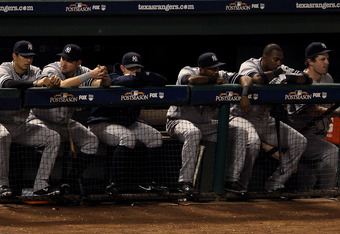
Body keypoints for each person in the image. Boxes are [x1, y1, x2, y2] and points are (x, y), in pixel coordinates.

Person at [166, 52, 261, 197]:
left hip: (205, 125)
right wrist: (212, 82)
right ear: (202, 69)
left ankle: (232, 181)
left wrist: (244, 94)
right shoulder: (187, 70)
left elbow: (245, 78)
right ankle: (185, 183)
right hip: (178, 121)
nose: (216, 72)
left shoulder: (221, 76)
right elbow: (191, 80)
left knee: (240, 132)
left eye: (217, 68)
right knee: (193, 133)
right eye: (212, 69)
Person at [27, 44, 110, 198]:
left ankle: (69, 180)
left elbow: (99, 85)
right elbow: (60, 85)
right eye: (63, 58)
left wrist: (104, 77)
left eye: (69, 60)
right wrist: (91, 74)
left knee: (91, 141)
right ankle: (41, 187)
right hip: (39, 120)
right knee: (53, 138)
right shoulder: (51, 69)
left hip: (64, 123)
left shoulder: (82, 71)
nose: (63, 62)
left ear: (78, 63)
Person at [231, 43, 309, 192]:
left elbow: (306, 78)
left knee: (299, 141)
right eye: (275, 60)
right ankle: (241, 185)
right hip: (242, 117)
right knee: (253, 143)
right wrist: (279, 73)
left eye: (280, 60)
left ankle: (274, 184)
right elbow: (257, 79)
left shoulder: (280, 69)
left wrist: (285, 76)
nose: (279, 63)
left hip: (264, 120)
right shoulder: (249, 64)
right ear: (265, 57)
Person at [87, 52, 168, 195]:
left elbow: (162, 79)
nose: (135, 71)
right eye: (131, 68)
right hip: (102, 123)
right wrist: (140, 78)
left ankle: (149, 183)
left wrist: (139, 76)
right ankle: (113, 184)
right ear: (122, 67)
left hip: (127, 123)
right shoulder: (112, 77)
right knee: (128, 137)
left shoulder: (138, 77)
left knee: (155, 137)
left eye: (138, 68)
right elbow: (125, 82)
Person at [0, 40, 61, 197]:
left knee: (53, 137)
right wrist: (35, 83)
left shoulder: (34, 70)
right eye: (24, 56)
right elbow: (8, 84)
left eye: (31, 57)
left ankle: (41, 186)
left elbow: (45, 79)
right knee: (3, 136)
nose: (28, 60)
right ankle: (2, 185)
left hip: (21, 126)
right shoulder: (4, 67)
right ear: (14, 56)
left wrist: (52, 81)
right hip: (1, 123)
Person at [287, 42, 339, 191]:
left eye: (327, 59)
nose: (327, 63)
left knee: (310, 180)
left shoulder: (327, 78)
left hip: (320, 135)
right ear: (310, 61)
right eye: (322, 59)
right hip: (302, 136)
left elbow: (329, 106)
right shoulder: (300, 81)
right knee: (330, 152)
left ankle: (322, 200)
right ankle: (327, 195)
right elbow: (312, 111)